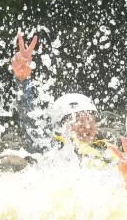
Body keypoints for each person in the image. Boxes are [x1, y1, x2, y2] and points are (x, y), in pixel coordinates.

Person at [11, 32, 116, 168]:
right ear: (60, 126)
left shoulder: (108, 152)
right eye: (77, 119)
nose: (86, 125)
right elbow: (29, 119)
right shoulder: (51, 150)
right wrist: (22, 81)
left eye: (90, 118)